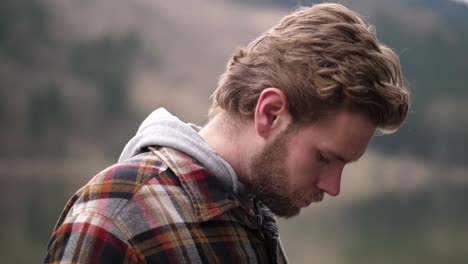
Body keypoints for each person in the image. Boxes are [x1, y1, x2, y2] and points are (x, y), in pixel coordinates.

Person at [44, 3, 409, 263]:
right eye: (325, 158)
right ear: (269, 113)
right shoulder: (114, 219)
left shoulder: (249, 215)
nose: (334, 186)